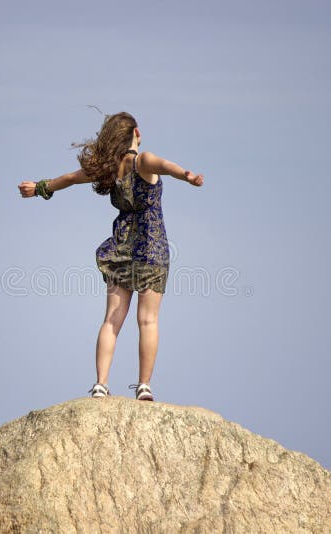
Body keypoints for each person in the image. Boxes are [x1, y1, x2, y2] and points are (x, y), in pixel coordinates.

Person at [17, 111, 203, 401]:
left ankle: (100, 384)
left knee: (111, 321)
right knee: (148, 321)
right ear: (137, 133)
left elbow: (68, 178)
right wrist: (187, 176)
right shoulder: (143, 160)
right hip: (151, 247)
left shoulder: (108, 169)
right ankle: (144, 386)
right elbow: (165, 166)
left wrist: (38, 188)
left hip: (121, 247)